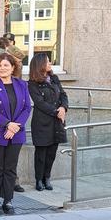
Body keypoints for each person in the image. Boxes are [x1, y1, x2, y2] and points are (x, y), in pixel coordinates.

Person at [0, 53, 32, 215]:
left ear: (13, 68)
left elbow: (27, 108)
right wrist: (7, 124)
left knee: (11, 168)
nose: (3, 68)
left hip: (16, 133)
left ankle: (8, 200)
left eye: (6, 65)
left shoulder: (22, 84)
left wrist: (15, 127)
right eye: (0, 65)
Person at [28, 53, 68, 191]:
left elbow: (63, 94)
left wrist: (63, 107)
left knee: (52, 152)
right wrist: (56, 112)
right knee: (41, 153)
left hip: (57, 123)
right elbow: (39, 103)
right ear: (40, 65)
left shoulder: (54, 78)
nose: (50, 63)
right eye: (47, 61)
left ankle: (47, 177)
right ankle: (39, 179)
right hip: (42, 122)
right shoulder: (33, 83)